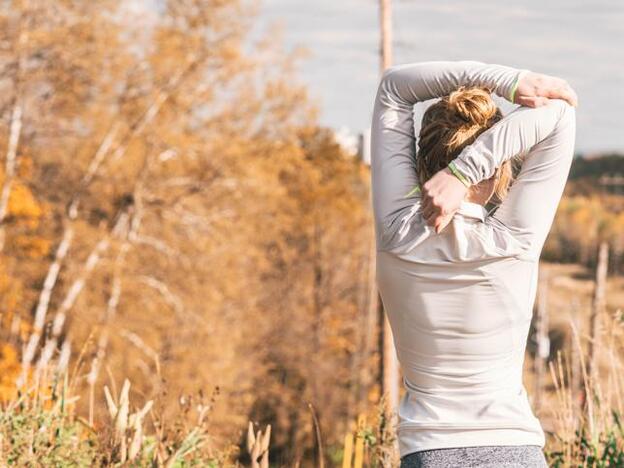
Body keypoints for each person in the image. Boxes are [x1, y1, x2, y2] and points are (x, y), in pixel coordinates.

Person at [370, 61, 577, 467]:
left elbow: (394, 88)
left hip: (429, 453)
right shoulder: (512, 242)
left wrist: (508, 84)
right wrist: (465, 173)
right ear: (499, 169)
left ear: (421, 158)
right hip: (515, 451)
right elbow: (561, 114)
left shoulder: (397, 234)